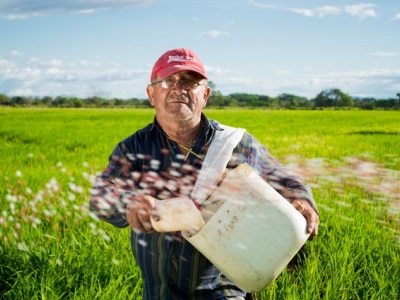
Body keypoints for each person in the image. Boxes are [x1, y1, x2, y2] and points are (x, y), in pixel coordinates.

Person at [89, 48, 319, 300]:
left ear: (205, 94)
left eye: (189, 82)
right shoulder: (134, 148)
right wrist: (128, 203)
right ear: (151, 94)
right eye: (168, 81)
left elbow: (280, 175)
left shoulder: (233, 143)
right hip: (159, 292)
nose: (179, 89)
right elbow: (100, 196)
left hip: (224, 289)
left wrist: (301, 199)